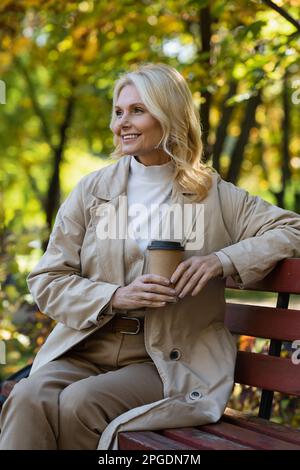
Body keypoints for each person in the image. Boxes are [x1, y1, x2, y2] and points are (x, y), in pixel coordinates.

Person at [0, 63, 299, 450]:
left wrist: (221, 260)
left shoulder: (213, 194)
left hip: (165, 359)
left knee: (80, 402)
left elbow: (292, 230)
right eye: (119, 112)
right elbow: (48, 279)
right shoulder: (93, 192)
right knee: (26, 396)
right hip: (89, 345)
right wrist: (115, 296)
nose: (121, 122)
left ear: (169, 116)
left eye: (137, 111)